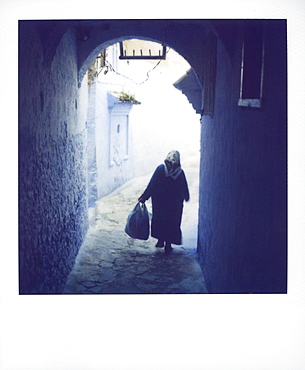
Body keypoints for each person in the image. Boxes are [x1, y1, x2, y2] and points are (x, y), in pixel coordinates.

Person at [138, 150, 190, 253]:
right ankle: (167, 243)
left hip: (160, 202)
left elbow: (152, 184)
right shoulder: (179, 173)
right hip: (173, 205)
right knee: (171, 222)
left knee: (160, 220)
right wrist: (186, 197)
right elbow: (184, 188)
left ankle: (161, 240)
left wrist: (145, 196)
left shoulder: (161, 169)